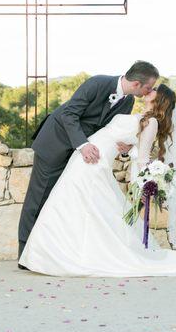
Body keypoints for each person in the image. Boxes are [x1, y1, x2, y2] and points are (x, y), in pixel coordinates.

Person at [18, 84, 176, 277]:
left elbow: (143, 157)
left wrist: (146, 181)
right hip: (87, 156)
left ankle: (71, 256)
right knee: (72, 207)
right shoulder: (139, 114)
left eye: (153, 90)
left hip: (93, 163)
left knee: (76, 206)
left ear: (159, 99)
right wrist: (125, 147)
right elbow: (127, 142)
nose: (149, 91)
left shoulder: (151, 122)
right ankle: (61, 252)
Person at [17, 61, 160, 269]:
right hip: (55, 143)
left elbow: (110, 129)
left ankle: (49, 251)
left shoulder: (127, 102)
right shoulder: (97, 83)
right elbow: (69, 114)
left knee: (61, 202)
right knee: (39, 198)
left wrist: (124, 147)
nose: (150, 91)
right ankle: (25, 256)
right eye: (149, 87)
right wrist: (83, 145)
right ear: (137, 83)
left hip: (81, 158)